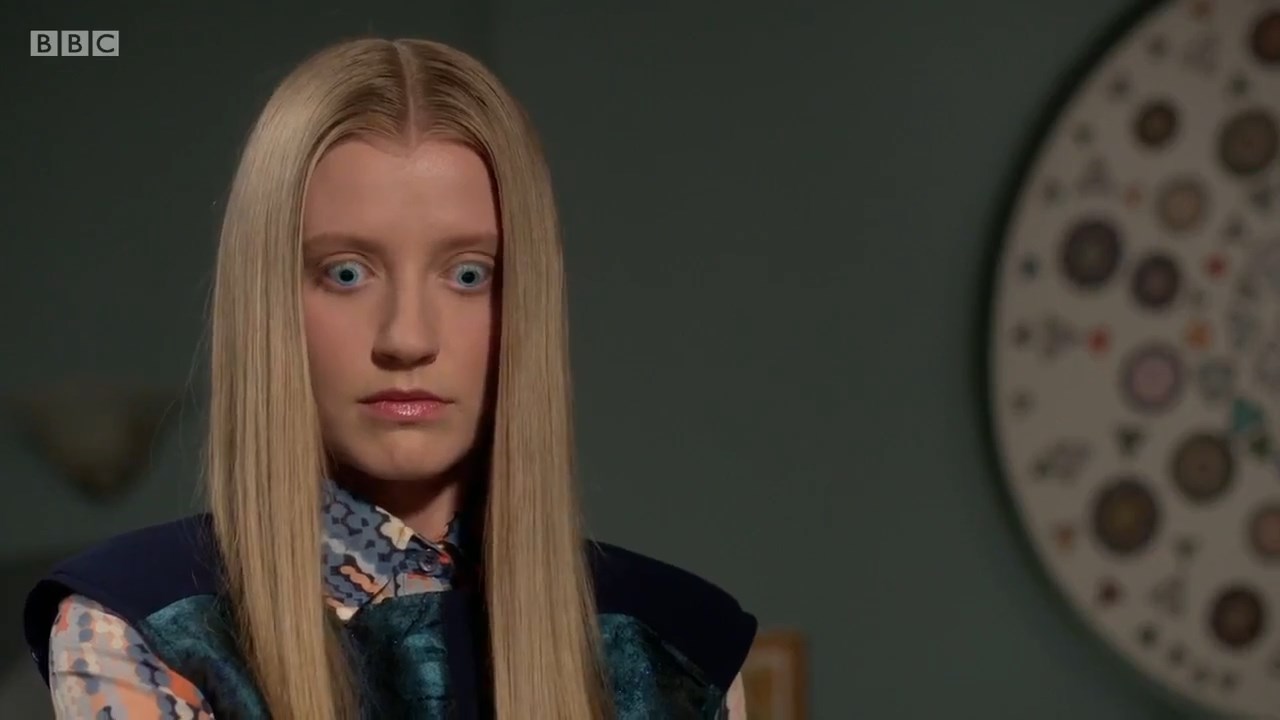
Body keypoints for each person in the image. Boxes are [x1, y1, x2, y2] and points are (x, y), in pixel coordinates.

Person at [21, 37, 755, 719]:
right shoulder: (144, 624)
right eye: (346, 273)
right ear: (270, 301)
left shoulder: (677, 648)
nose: (408, 337)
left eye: (469, 275)